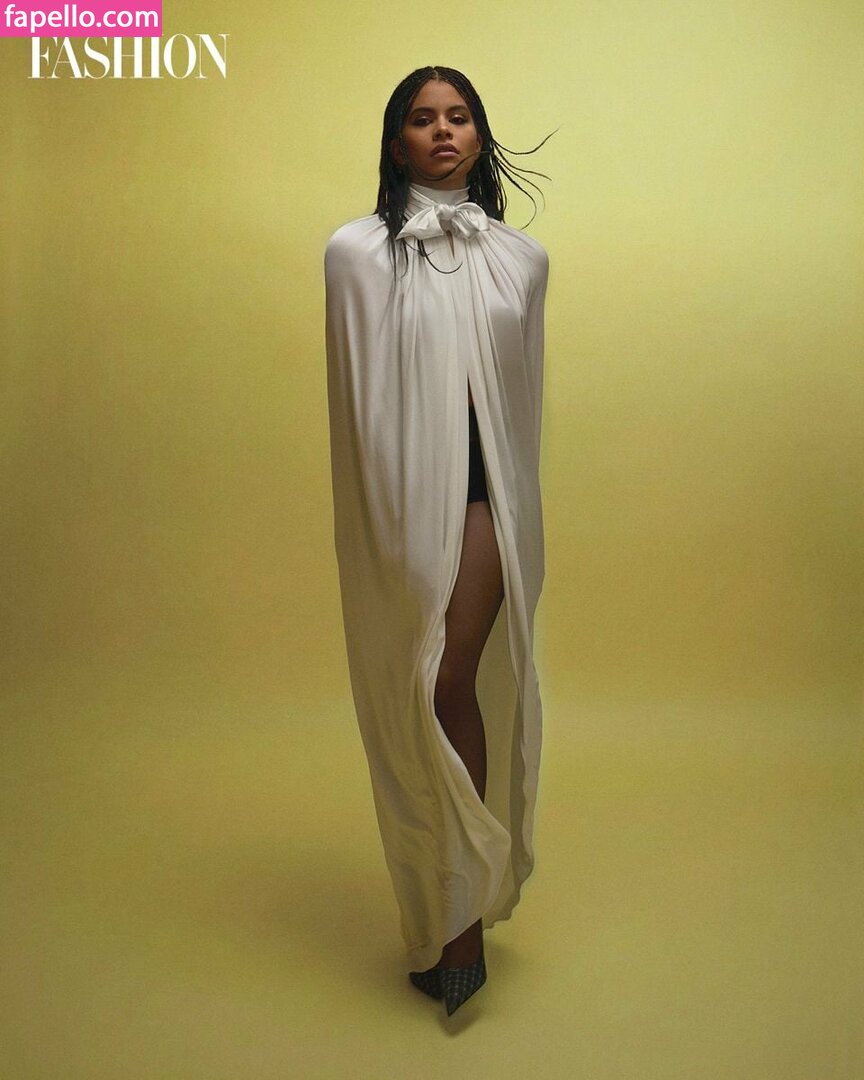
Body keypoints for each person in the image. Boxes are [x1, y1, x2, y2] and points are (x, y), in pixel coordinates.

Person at [325, 65, 550, 1016]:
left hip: (489, 498)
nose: (443, 131)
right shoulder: (353, 254)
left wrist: (517, 505)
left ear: (480, 136)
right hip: (399, 505)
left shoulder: (522, 260)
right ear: (397, 142)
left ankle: (463, 922)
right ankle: (442, 898)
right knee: (411, 689)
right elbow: (355, 404)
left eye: (459, 117)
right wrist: (383, 520)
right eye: (423, 119)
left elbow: (524, 404)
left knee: (452, 678)